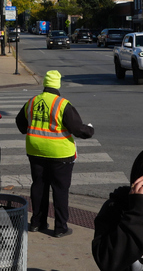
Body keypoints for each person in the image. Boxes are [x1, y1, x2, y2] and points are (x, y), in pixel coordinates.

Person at [16, 69, 94, 237]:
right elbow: (77, 128)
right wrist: (90, 130)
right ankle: (60, 228)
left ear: (45, 83)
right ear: (57, 85)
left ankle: (37, 223)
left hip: (35, 151)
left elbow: (20, 123)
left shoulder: (32, 101)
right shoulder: (62, 104)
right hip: (60, 154)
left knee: (39, 186)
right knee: (60, 190)